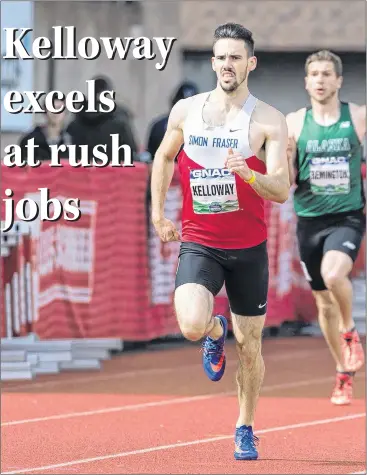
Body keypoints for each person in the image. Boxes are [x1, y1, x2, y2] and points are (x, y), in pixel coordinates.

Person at [150, 22, 290, 460]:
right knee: (191, 324)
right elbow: (164, 156)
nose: (227, 64)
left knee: (251, 347)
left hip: (248, 248)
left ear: (251, 62)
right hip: (200, 241)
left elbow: (282, 189)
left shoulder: (268, 119)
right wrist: (157, 213)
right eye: (221, 57)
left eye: (236, 57)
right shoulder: (186, 112)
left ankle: (245, 427)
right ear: (212, 62)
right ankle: (215, 329)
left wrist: (248, 173)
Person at [286, 50, 365, 406]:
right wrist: (286, 155)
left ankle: (350, 332)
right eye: (314, 74)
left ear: (338, 81)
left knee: (335, 276)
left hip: (346, 218)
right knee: (323, 303)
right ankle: (342, 372)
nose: (319, 80)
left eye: (326, 74)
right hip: (309, 222)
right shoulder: (294, 123)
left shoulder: (358, 118)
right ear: (306, 82)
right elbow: (287, 180)